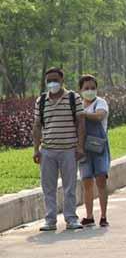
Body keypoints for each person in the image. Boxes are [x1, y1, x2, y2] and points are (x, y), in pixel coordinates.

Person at [32, 68, 86, 231]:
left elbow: (81, 123)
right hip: (47, 150)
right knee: (48, 187)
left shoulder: (73, 98)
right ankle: (50, 220)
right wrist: (36, 149)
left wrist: (80, 146)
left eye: (55, 80)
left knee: (69, 186)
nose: (52, 83)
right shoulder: (40, 101)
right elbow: (37, 126)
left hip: (69, 149)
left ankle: (71, 218)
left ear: (62, 80)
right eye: (49, 80)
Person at [78, 75, 111, 227]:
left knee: (100, 180)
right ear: (80, 90)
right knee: (86, 182)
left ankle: (103, 216)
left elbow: (99, 116)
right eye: (86, 88)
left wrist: (84, 114)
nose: (89, 90)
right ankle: (89, 215)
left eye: (92, 88)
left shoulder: (100, 102)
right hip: (83, 148)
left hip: (98, 148)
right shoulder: (78, 104)